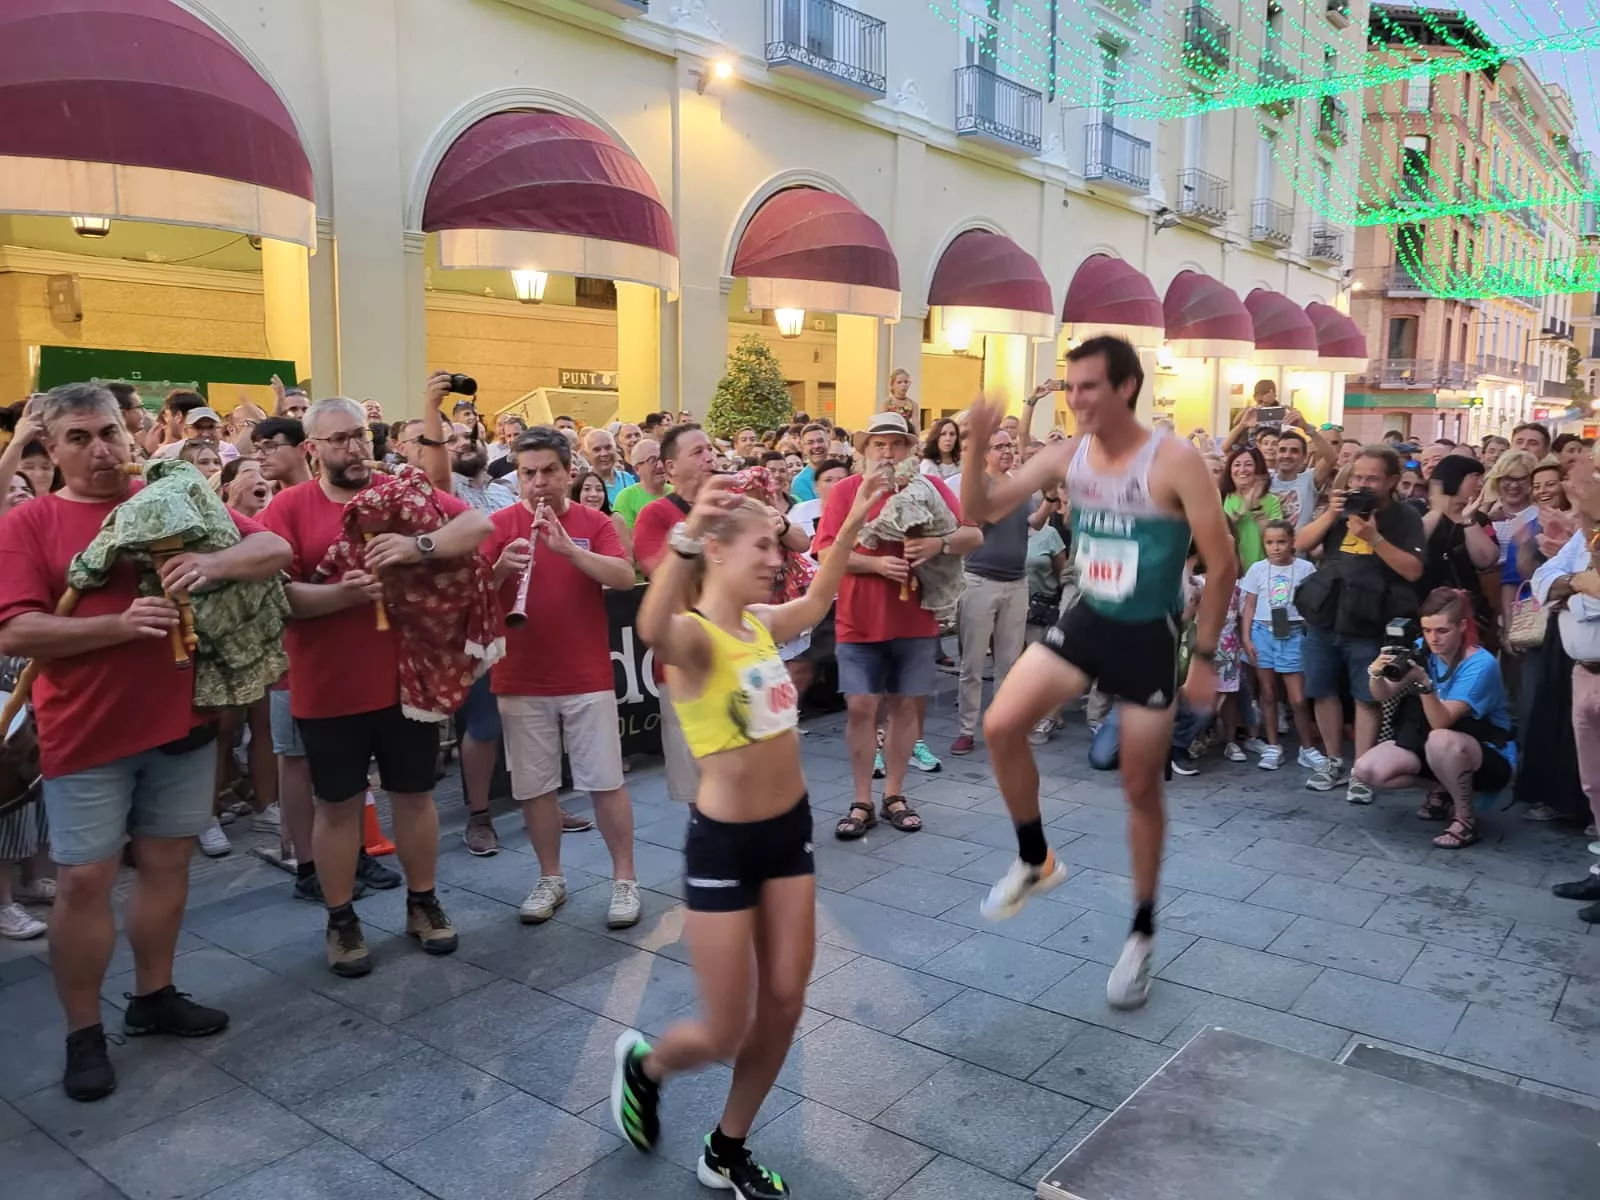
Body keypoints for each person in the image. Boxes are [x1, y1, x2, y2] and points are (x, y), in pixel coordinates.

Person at [0, 382, 292, 1101]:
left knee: (167, 865)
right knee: (83, 881)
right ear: (52, 447)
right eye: (78, 438)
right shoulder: (30, 522)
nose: (99, 449)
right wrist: (119, 626)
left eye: (107, 433)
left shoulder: (173, 495)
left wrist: (214, 564)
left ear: (128, 435)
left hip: (182, 721)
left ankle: (155, 996)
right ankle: (81, 1033)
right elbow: (16, 630)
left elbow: (275, 546)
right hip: (85, 729)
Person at [615, 469, 886, 1195]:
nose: (777, 556)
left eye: (778, 544)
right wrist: (683, 535)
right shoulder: (697, 640)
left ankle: (726, 1147)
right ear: (719, 552)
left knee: (789, 999)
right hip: (725, 849)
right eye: (764, 546)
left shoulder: (761, 625)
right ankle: (646, 1065)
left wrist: (853, 516)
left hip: (787, 836)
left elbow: (822, 595)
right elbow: (650, 628)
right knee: (724, 1030)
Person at [959, 335, 1236, 1010]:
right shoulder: (1066, 453)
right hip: (1087, 619)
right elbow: (984, 509)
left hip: (1148, 637)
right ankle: (1036, 858)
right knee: (1001, 724)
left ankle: (1141, 931)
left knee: (1140, 790)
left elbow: (1222, 562)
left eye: (1088, 386)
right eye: (1070, 386)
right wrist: (974, 444)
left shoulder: (1174, 461)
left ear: (1126, 387)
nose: (1075, 398)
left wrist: (1202, 661)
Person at [260, 393, 492, 977]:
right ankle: (342, 920)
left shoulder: (400, 489)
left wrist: (420, 546)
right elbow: (274, 595)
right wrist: (340, 595)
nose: (355, 447)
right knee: (336, 807)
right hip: (327, 685)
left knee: (413, 797)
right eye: (339, 439)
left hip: (406, 680)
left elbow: (477, 523)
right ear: (312, 449)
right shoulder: (289, 506)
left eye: (360, 434)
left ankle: (424, 903)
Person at [480, 428, 641, 927]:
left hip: (586, 674)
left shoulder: (596, 521)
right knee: (535, 787)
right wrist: (500, 570)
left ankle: (625, 880)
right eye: (528, 473)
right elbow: (472, 595)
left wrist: (571, 551)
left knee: (605, 782)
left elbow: (623, 576)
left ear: (569, 472)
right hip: (520, 676)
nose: (538, 482)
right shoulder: (497, 524)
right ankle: (551, 876)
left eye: (549, 471)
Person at [818, 413, 981, 839]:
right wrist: (874, 563)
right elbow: (824, 553)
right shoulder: (847, 493)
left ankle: (893, 794)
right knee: (861, 707)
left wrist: (938, 543)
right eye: (879, 445)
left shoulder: (928, 487)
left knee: (906, 708)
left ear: (910, 451)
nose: (887, 453)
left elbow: (973, 536)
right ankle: (861, 800)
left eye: (896, 445)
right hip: (858, 620)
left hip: (914, 619)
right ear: (864, 451)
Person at [1293, 445, 1426, 801]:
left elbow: (1414, 571)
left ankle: (1360, 770)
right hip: (1325, 615)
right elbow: (1300, 543)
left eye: (1371, 478)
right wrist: (1329, 515)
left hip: (1370, 621)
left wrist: (1375, 539)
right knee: (1322, 691)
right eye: (1357, 476)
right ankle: (1334, 760)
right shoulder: (1341, 508)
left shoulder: (1405, 516)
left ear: (1392, 481)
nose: (1362, 484)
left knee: (1366, 696)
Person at [1352, 588, 1516, 848]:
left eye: (1442, 631)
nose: (1433, 639)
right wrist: (1376, 674)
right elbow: (1383, 694)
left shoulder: (1480, 664)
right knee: (1366, 770)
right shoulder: (1422, 648)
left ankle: (1466, 820)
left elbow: (1442, 722)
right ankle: (1440, 789)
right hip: (1432, 741)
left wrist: (1424, 683)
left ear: (1462, 626)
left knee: (1440, 739)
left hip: (1486, 751)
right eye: (1427, 630)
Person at [634, 423, 718, 805]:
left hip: (736, 650)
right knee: (696, 780)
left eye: (710, 449)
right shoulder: (655, 515)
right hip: (684, 660)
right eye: (698, 452)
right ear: (670, 469)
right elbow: (659, 574)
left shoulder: (731, 505)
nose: (710, 457)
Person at [952, 424, 1034, 755]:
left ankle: (1001, 726)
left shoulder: (1021, 486)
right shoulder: (977, 485)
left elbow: (1035, 523)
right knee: (972, 662)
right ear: (985, 453)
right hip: (980, 580)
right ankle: (966, 728)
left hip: (1017, 581)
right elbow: (980, 521)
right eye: (999, 446)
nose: (1007, 451)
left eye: (1010, 446)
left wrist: (1051, 499)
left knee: (1009, 663)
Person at [1240, 520, 1320, 771]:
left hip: (1294, 632)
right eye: (1270, 542)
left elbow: (1311, 604)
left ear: (1292, 541)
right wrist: (1247, 638)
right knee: (1268, 693)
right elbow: (1250, 605)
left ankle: (1307, 748)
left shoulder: (1305, 568)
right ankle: (1273, 746)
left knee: (1297, 698)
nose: (1276, 548)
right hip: (1262, 632)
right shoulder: (1257, 569)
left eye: (1281, 541)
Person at [1418, 454, 1498, 646]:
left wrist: (1468, 521)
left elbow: (1486, 560)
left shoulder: (1479, 519)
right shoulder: (1417, 511)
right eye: (1474, 478)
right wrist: (1437, 511)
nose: (1480, 484)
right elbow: (1412, 546)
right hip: (1424, 609)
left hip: (1467, 610)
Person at [1220, 445, 1283, 570]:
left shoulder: (1272, 501)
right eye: (1237, 465)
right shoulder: (1221, 497)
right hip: (1229, 570)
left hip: (1263, 571)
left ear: (1258, 469)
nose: (1242, 469)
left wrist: (1255, 505)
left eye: (1248, 464)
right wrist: (1243, 508)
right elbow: (1219, 533)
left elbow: (1275, 538)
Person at [1269, 419, 1338, 529]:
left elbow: (1332, 457)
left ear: (1304, 457)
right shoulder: (1266, 479)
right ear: (1276, 454)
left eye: (1294, 451)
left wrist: (1307, 428)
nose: (1287, 455)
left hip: (1301, 545)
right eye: (1282, 450)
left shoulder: (1309, 478)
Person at [574, 467, 634, 563]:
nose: (594, 494)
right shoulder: (570, 520)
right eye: (587, 489)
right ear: (577, 493)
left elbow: (628, 561)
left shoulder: (616, 520)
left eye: (599, 489)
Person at [612, 437, 670, 530]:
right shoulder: (626, 498)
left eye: (661, 458)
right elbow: (627, 541)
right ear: (636, 469)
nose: (660, 465)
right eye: (652, 460)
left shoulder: (678, 492)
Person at [152, 405, 239, 464]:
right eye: (198, 427)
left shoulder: (229, 451)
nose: (205, 433)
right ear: (186, 430)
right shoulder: (168, 453)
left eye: (211, 427)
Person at [581, 427, 637, 504]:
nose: (604, 453)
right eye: (597, 450)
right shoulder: (582, 485)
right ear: (586, 455)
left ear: (616, 449)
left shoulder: (627, 478)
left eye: (608, 447)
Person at [787, 423, 832, 502]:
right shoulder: (800, 482)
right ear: (803, 447)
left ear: (828, 443)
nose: (816, 446)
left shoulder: (839, 473)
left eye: (820, 441)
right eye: (810, 442)